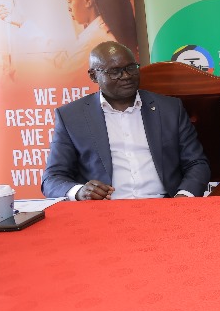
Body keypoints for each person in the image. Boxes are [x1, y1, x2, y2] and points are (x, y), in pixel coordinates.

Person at [42, 42, 210, 200]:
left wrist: (183, 197)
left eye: (131, 68)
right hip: (104, 211)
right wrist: (80, 192)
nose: (126, 76)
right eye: (115, 71)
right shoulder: (71, 116)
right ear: (94, 76)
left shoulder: (170, 109)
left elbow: (197, 163)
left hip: (164, 205)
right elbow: (52, 178)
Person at [59, 0, 139, 75]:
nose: (69, 8)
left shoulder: (91, 44)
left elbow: (65, 76)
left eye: (69, 0)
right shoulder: (106, 28)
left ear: (87, 0)